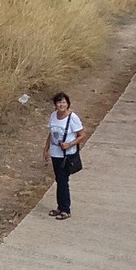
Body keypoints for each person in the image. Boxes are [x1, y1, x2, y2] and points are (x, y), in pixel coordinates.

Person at [45, 91, 85, 220]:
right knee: (59, 180)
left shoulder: (72, 118)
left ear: (67, 104)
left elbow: (82, 135)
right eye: (59, 102)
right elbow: (51, 133)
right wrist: (46, 149)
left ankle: (65, 209)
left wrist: (70, 144)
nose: (61, 105)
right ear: (55, 104)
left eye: (64, 102)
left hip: (66, 155)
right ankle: (60, 207)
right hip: (55, 153)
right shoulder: (53, 116)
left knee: (62, 181)